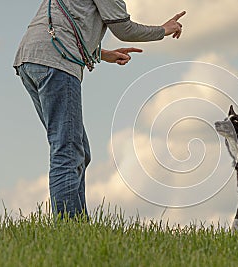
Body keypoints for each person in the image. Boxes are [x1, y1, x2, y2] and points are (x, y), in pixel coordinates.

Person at [13, 0, 186, 218]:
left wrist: (103, 54)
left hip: (31, 60)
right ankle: (70, 228)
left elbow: (66, 21)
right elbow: (124, 29)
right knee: (67, 149)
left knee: (78, 150)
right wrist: (164, 29)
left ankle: (77, 223)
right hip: (56, 61)